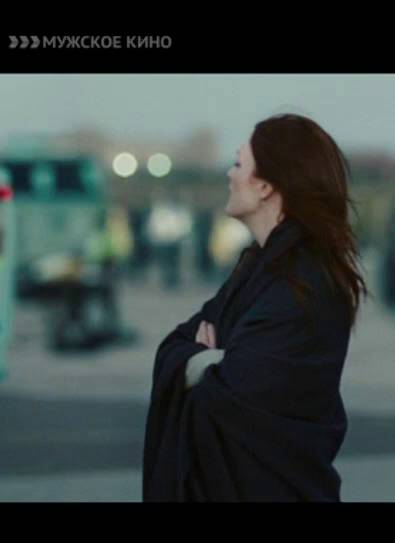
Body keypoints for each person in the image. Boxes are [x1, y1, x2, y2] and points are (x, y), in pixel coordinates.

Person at [143, 114, 368, 502]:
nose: (229, 174)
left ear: (265, 185)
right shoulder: (256, 269)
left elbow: (238, 392)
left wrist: (203, 363)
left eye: (238, 163)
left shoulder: (307, 282)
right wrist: (210, 360)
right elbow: (174, 346)